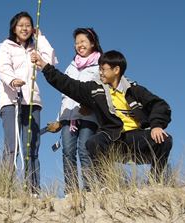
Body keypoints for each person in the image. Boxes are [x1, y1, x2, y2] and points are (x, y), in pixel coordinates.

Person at [32, 50, 173, 184]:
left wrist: (156, 126)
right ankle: (106, 184)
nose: (100, 72)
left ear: (116, 70)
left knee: (165, 140)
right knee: (93, 142)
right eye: (99, 69)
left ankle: (156, 180)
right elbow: (68, 85)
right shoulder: (95, 89)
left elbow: (160, 105)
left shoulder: (134, 89)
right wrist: (45, 66)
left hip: (136, 136)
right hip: (112, 137)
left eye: (103, 69)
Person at [0, 11, 57, 195]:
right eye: (21, 25)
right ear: (14, 28)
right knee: (12, 147)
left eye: (28, 25)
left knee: (31, 146)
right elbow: (3, 67)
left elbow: (51, 61)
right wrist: (12, 80)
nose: (24, 28)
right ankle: (4, 190)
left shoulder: (34, 48)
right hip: (11, 101)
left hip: (33, 101)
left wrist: (41, 37)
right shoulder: (5, 46)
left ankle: (33, 190)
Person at [46, 28, 103, 195]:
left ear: (92, 43)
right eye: (77, 43)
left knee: (85, 150)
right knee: (67, 152)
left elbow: (100, 93)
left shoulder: (100, 65)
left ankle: (89, 189)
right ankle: (71, 191)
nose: (80, 45)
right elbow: (65, 96)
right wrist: (58, 119)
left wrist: (90, 106)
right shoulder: (71, 66)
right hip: (67, 118)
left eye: (83, 41)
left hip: (88, 116)